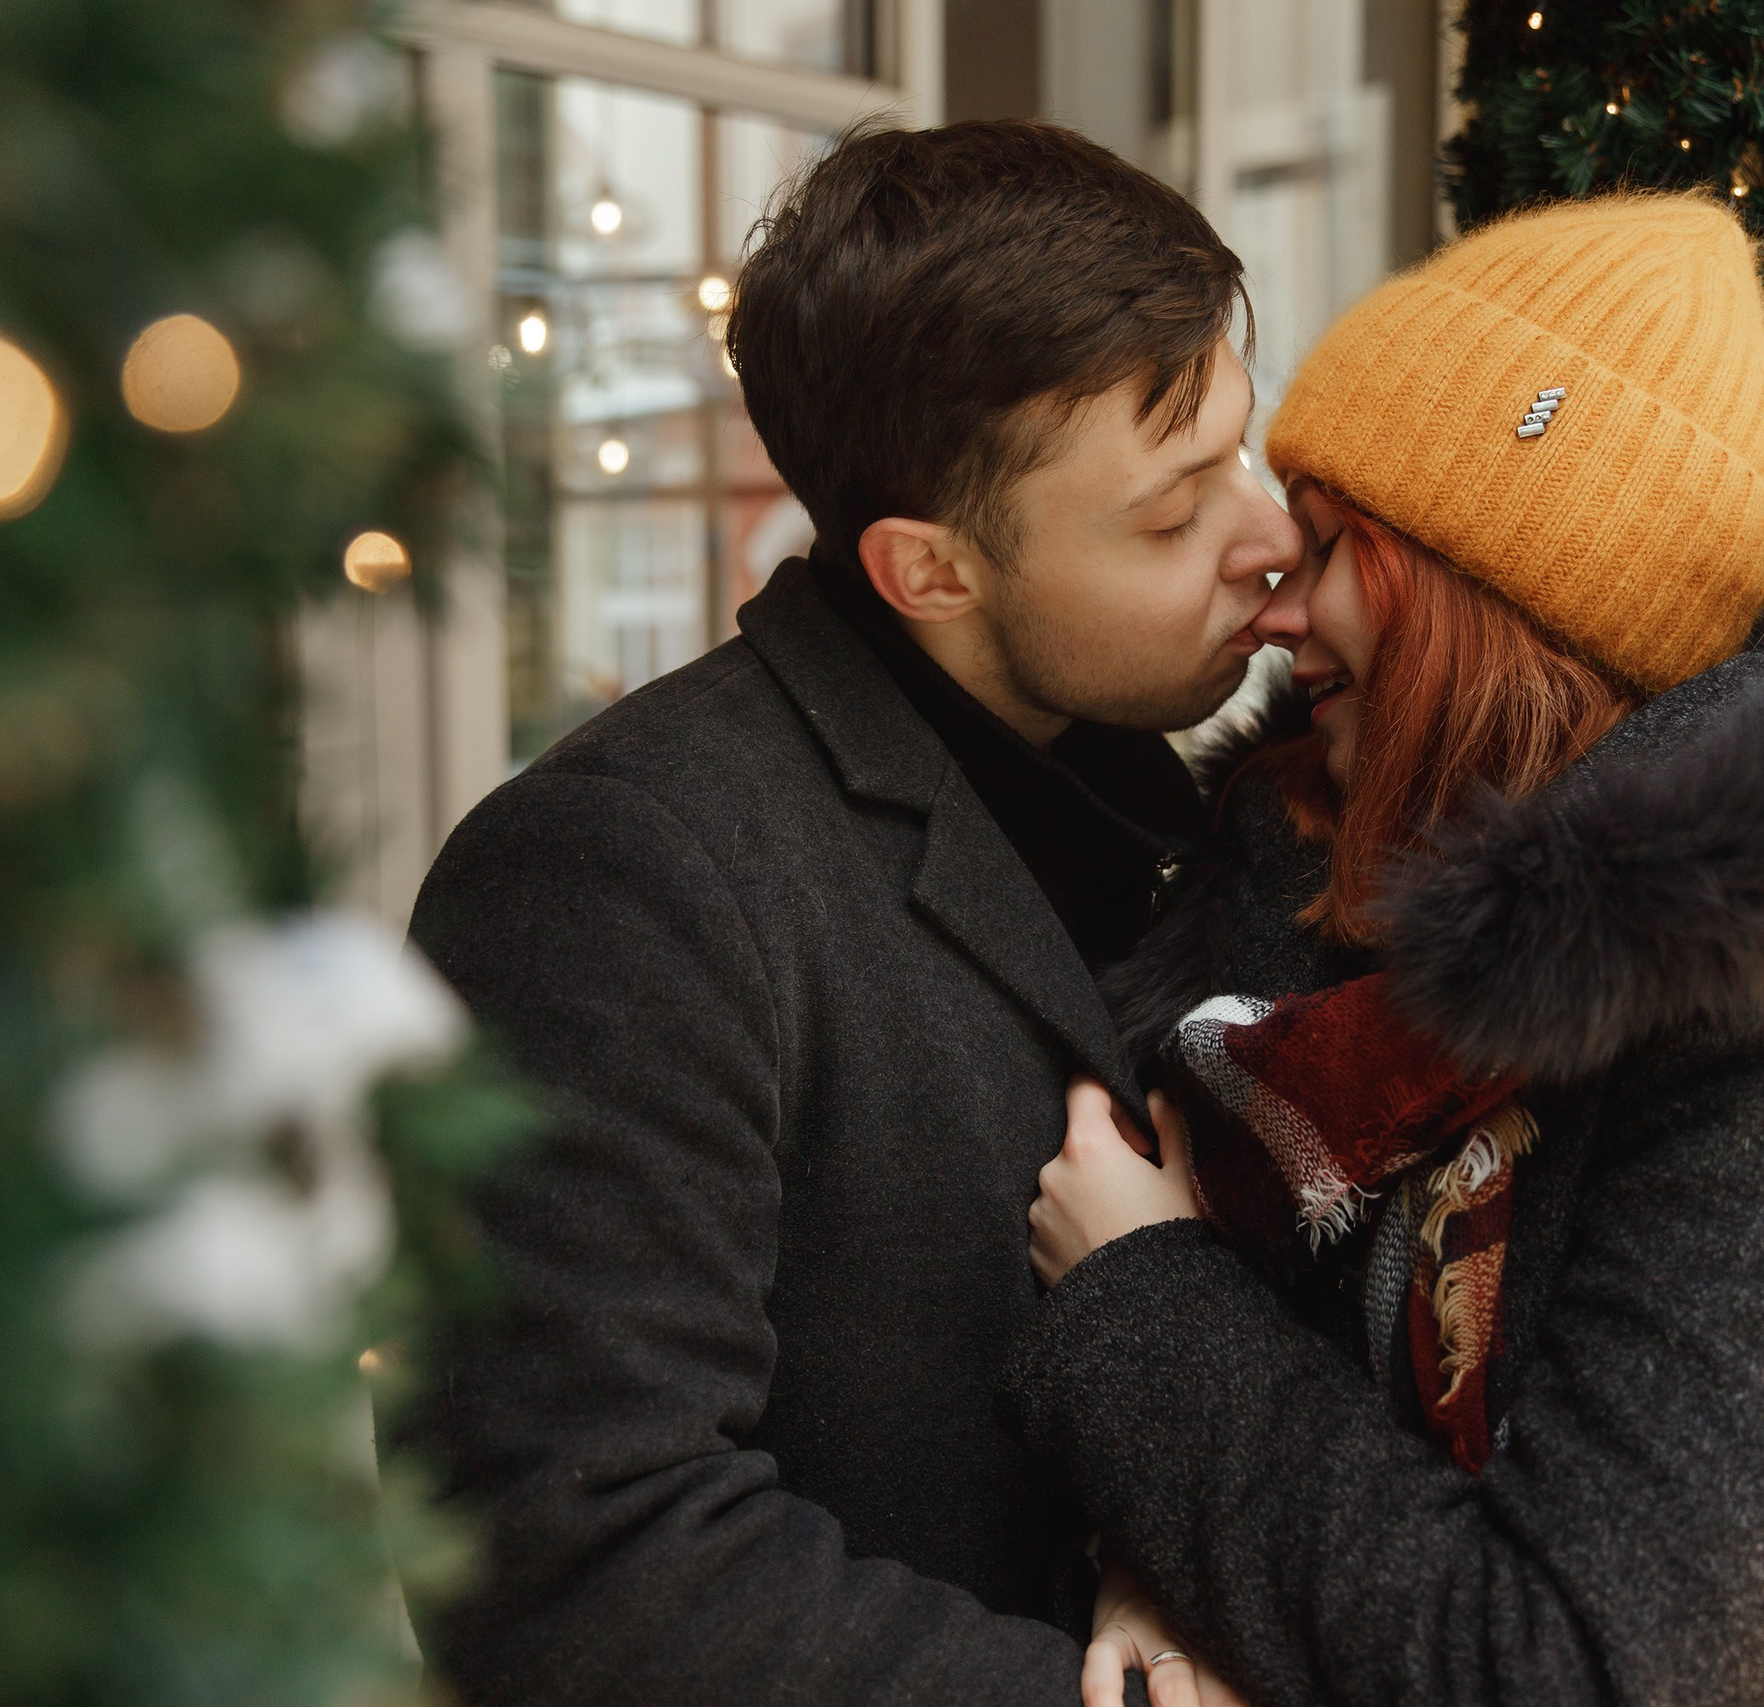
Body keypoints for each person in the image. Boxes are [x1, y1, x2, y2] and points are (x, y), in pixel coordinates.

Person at [1015, 191, 1764, 1707]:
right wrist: (1160, 1573)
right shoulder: (1297, 872)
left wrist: (1144, 1293)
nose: (1280, 610)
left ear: (1488, 595)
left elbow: (1607, 1664)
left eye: (1333, 549)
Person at [390, 121, 1300, 1706]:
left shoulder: (1221, 808)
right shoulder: (619, 874)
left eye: (1238, 446)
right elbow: (576, 1569)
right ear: (927, 571)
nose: (1270, 535)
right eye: (1171, 514)